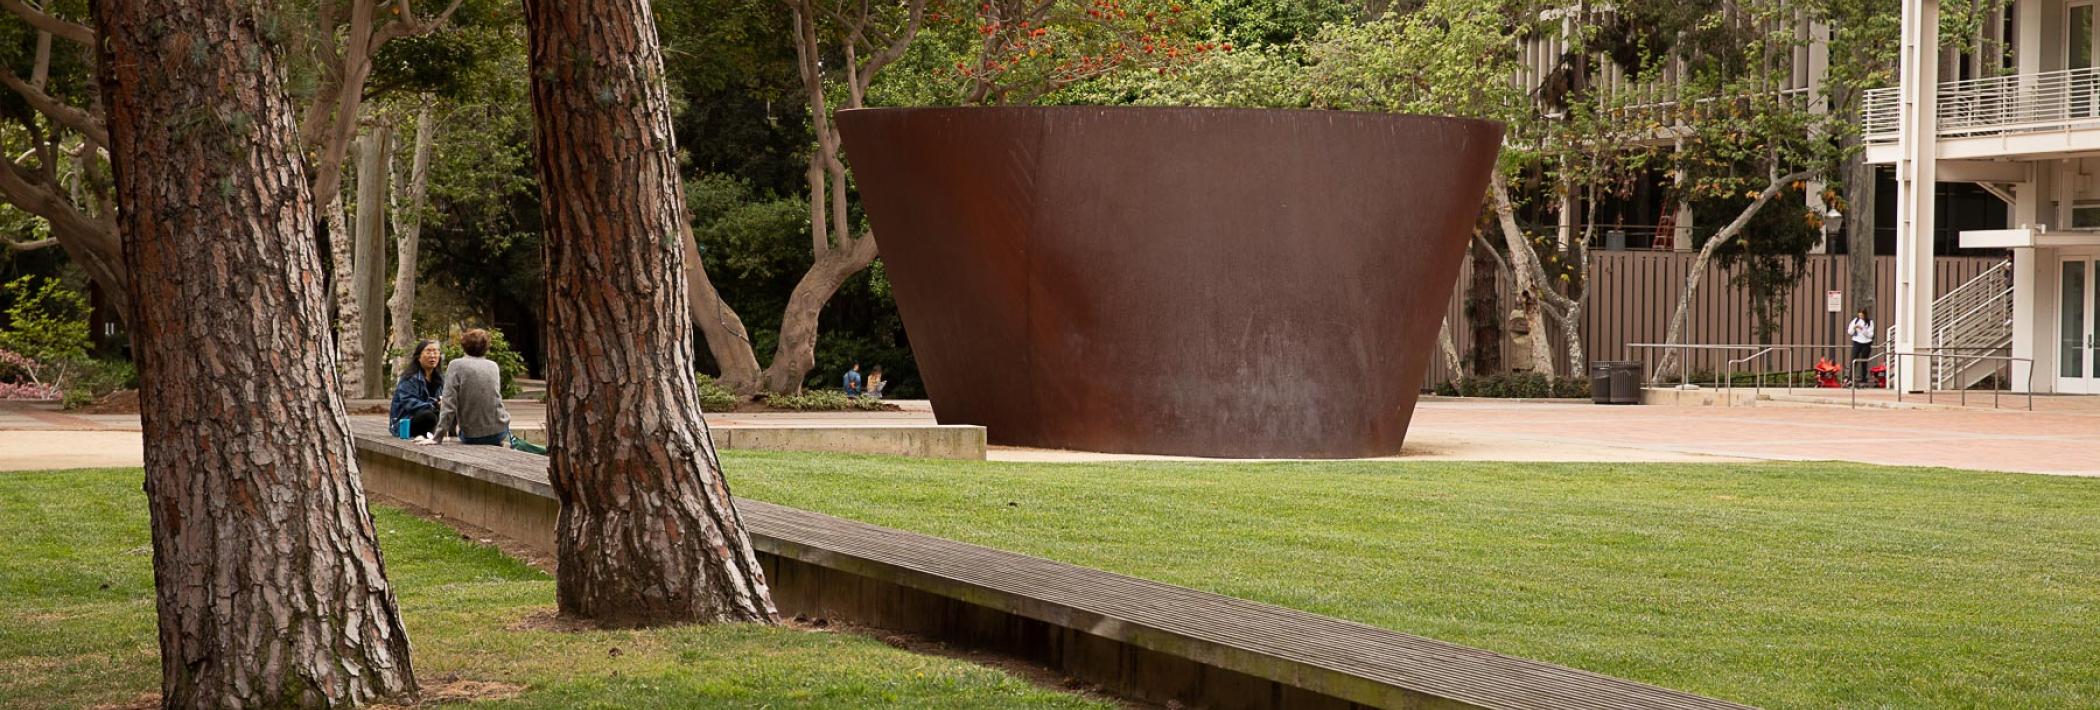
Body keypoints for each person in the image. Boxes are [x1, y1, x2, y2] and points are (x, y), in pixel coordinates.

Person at [433, 329, 513, 446]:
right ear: (486, 347)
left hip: (472, 436)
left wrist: (437, 437)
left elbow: (449, 404)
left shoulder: (456, 365)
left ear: (464, 346)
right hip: (500, 431)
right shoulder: (493, 366)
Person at [388, 339, 444, 439]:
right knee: (428, 416)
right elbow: (410, 404)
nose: (432, 355)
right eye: (428, 352)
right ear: (418, 357)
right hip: (407, 422)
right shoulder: (409, 378)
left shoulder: (440, 378)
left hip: (433, 415)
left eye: (435, 352)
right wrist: (435, 405)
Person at [1847, 309, 1875, 385]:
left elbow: (1870, 335)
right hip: (1856, 341)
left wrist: (1863, 329)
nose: (1861, 317)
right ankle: (1850, 378)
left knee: (1864, 361)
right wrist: (1854, 328)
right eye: (1859, 315)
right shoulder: (1855, 321)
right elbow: (1850, 332)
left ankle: (1863, 378)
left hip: (1866, 343)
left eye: (1862, 315)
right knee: (1853, 359)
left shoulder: (1870, 322)